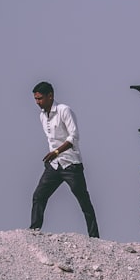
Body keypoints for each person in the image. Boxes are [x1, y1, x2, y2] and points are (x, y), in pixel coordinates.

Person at [30, 82, 99, 238]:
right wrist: (53, 156)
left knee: (84, 201)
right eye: (35, 99)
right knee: (39, 195)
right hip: (54, 166)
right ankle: (34, 231)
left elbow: (73, 137)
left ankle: (94, 237)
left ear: (50, 96)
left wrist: (56, 152)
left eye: (40, 98)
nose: (37, 102)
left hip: (71, 165)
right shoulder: (42, 116)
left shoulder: (64, 110)